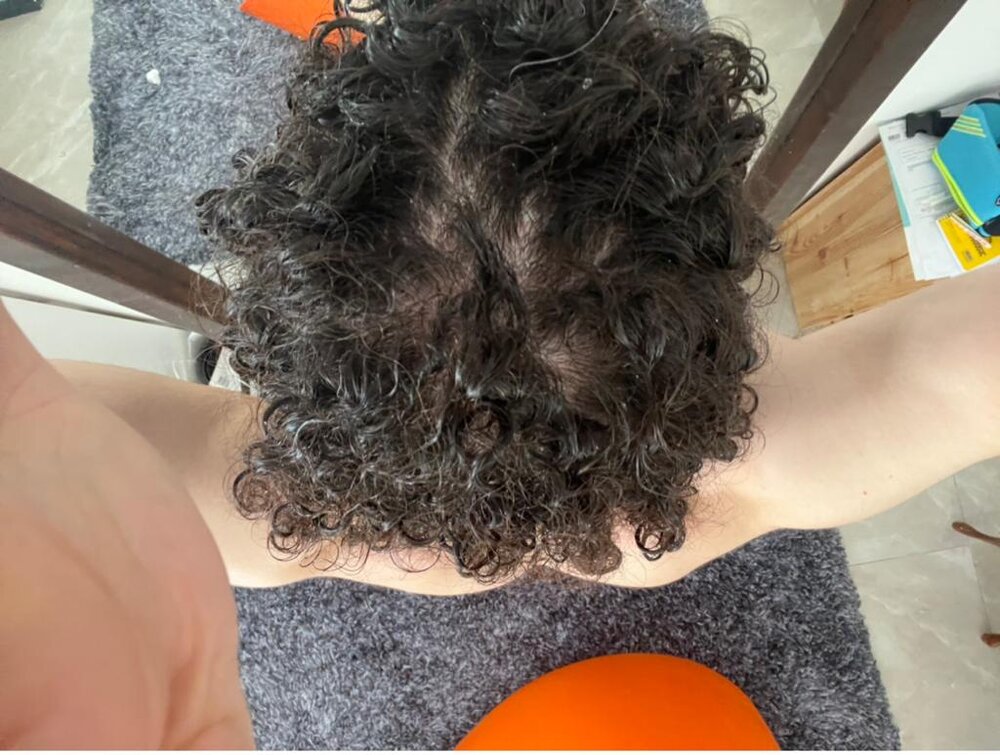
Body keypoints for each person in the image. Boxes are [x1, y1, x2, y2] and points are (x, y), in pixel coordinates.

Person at [1, 0, 998, 746]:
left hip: (349, 516)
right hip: (656, 525)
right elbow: (959, 366)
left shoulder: (266, 500)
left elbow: (39, 427)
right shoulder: (775, 451)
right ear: (721, 290)